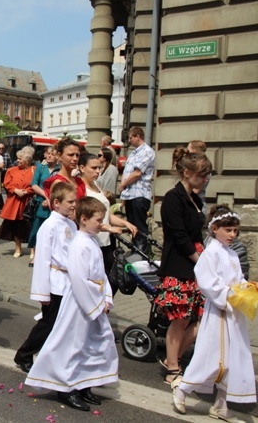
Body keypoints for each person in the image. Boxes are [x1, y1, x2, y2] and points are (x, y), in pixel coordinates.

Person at [26, 196, 118, 412]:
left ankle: (84, 383)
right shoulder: (78, 245)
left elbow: (101, 275)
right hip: (80, 304)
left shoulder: (92, 240)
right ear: (84, 219)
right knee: (73, 345)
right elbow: (78, 278)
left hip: (94, 302)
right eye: (98, 220)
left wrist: (106, 296)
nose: (101, 224)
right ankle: (66, 389)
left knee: (92, 345)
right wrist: (95, 305)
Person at [171, 205, 256, 419]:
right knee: (211, 357)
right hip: (218, 312)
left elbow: (238, 280)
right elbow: (208, 282)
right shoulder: (210, 253)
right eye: (228, 230)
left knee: (233, 359)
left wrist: (247, 287)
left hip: (232, 315)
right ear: (214, 229)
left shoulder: (232, 254)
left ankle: (220, 404)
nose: (232, 235)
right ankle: (182, 389)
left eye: (235, 231)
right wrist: (229, 295)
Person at [155, 148, 212, 385]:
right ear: (187, 173)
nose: (206, 179)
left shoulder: (195, 199)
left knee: (199, 318)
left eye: (207, 174)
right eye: (202, 175)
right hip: (179, 264)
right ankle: (173, 368)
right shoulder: (172, 198)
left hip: (195, 263)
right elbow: (179, 236)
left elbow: (198, 233)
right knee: (179, 318)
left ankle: (173, 359)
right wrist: (199, 260)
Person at [14, 182, 77, 373]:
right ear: (56, 203)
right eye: (70, 201)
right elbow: (42, 260)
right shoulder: (49, 226)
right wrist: (42, 291)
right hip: (54, 282)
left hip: (68, 282)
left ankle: (55, 358)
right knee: (49, 322)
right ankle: (24, 354)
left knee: (64, 324)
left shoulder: (70, 224)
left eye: (75, 201)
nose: (74, 205)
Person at [78, 153, 137, 289]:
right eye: (93, 168)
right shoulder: (81, 189)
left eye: (99, 168)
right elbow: (85, 220)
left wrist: (125, 223)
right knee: (100, 282)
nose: (98, 171)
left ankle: (103, 308)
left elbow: (106, 214)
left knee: (112, 281)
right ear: (82, 168)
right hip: (93, 241)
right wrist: (108, 228)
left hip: (106, 242)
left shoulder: (96, 185)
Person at [119, 126, 155, 250]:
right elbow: (127, 171)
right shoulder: (133, 153)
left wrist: (123, 184)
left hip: (139, 194)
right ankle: (135, 250)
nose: (129, 140)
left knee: (139, 227)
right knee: (132, 226)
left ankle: (142, 253)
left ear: (137, 137)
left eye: (131, 138)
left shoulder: (147, 151)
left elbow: (137, 173)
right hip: (130, 195)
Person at [0, 146, 35, 258]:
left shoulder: (34, 169)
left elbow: (36, 183)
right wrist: (16, 190)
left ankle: (33, 250)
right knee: (16, 226)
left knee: (30, 226)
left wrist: (27, 191)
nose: (17, 161)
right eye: (18, 158)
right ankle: (18, 248)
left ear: (27, 160)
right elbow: (7, 183)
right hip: (14, 201)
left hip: (28, 201)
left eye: (20, 159)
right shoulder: (11, 170)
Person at [27, 146, 59, 267]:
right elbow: (34, 184)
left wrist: (51, 199)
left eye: (52, 153)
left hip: (55, 204)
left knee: (52, 230)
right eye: (47, 153)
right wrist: (46, 196)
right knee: (38, 229)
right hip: (41, 203)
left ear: (57, 156)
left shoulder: (59, 169)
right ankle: (35, 255)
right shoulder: (41, 167)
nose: (49, 155)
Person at [43, 137, 85, 202]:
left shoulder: (78, 181)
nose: (75, 158)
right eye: (71, 155)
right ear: (59, 156)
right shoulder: (58, 182)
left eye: (77, 155)